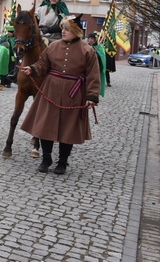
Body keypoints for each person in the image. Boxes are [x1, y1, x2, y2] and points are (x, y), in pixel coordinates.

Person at [19, 16, 100, 175]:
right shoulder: (53, 46)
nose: (63, 31)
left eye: (67, 29)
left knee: (67, 129)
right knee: (45, 125)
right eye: (62, 28)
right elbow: (42, 65)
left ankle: (62, 161)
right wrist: (32, 69)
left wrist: (91, 96)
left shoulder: (87, 51)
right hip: (51, 90)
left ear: (76, 32)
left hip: (74, 93)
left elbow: (93, 75)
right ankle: (46, 158)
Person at [0, 26, 16, 90]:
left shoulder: (14, 39)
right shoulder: (5, 37)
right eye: (8, 32)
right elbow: (1, 45)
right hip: (4, 56)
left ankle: (8, 82)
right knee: (2, 69)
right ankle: (2, 82)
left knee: (10, 70)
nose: (9, 33)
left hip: (11, 57)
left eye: (10, 32)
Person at [87, 32, 107, 98]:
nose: (89, 40)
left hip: (96, 68)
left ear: (94, 39)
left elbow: (101, 58)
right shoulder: (88, 47)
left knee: (94, 82)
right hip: (88, 68)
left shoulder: (99, 48)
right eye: (89, 38)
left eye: (91, 38)